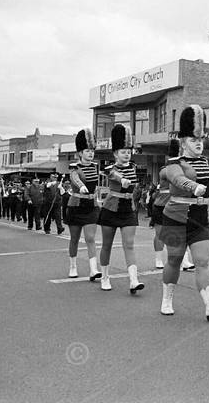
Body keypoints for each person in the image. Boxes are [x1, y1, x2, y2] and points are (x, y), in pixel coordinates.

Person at [159, 105, 209, 320]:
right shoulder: (173, 163)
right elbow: (177, 178)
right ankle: (167, 298)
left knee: (202, 262)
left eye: (201, 140)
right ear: (182, 143)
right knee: (174, 260)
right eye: (193, 140)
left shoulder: (206, 164)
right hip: (175, 219)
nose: (199, 144)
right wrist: (193, 187)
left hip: (201, 219)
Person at [97, 124, 144, 294]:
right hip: (111, 209)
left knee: (129, 245)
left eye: (128, 151)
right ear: (115, 153)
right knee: (107, 245)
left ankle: (133, 280)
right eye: (123, 151)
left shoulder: (133, 167)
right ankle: (104, 276)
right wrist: (121, 179)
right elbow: (112, 174)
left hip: (128, 210)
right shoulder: (110, 168)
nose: (127, 153)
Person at [66, 128, 102, 281]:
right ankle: (73, 266)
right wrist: (80, 186)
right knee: (74, 239)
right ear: (80, 153)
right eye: (87, 151)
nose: (90, 153)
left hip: (91, 207)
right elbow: (74, 178)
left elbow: (97, 187)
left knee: (90, 238)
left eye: (92, 150)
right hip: (76, 206)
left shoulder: (94, 167)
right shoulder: (75, 167)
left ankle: (93, 269)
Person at [151, 139, 179, 270]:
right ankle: (158, 259)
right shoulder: (164, 170)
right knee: (160, 234)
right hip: (161, 205)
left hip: (176, 205)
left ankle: (182, 260)